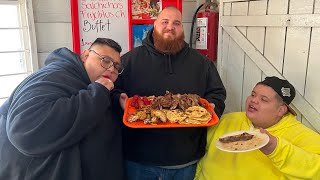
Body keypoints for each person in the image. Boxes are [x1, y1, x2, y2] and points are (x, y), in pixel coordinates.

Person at [112, 6, 226, 180]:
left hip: (186, 161)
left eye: (176, 23)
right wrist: (119, 100)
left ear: (182, 28)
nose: (170, 27)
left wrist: (212, 108)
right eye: (164, 21)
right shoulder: (129, 61)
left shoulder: (202, 63)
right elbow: (112, 91)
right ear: (155, 24)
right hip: (139, 161)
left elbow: (217, 93)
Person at [0, 38, 125, 180]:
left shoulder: (86, 79)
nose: (111, 69)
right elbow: (24, 128)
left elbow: (84, 96)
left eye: (116, 67)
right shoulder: (54, 74)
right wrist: (98, 93)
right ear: (85, 56)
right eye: (105, 60)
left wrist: (114, 98)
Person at [195, 76, 320, 180]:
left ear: (281, 110)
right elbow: (200, 154)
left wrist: (276, 148)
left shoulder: (301, 135)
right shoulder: (227, 120)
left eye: (264, 99)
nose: (253, 100)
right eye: (253, 94)